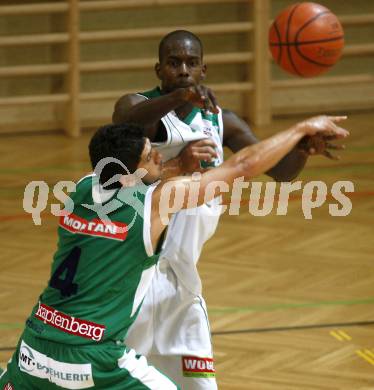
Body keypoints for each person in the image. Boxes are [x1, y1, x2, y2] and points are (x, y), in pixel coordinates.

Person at [0, 117, 348, 390]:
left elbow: (131, 179)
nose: (158, 156)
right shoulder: (155, 204)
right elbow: (242, 166)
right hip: (95, 358)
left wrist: (173, 167)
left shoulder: (80, 188)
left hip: (33, 349)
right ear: (132, 173)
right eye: (150, 154)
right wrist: (303, 127)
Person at [112, 30, 346, 390]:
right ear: (159, 69)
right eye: (174, 63)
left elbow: (282, 173)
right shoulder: (139, 106)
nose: (184, 70)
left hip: (182, 283)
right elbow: (126, 124)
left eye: (192, 64)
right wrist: (178, 98)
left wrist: (302, 149)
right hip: (134, 276)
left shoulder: (223, 121)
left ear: (204, 70)